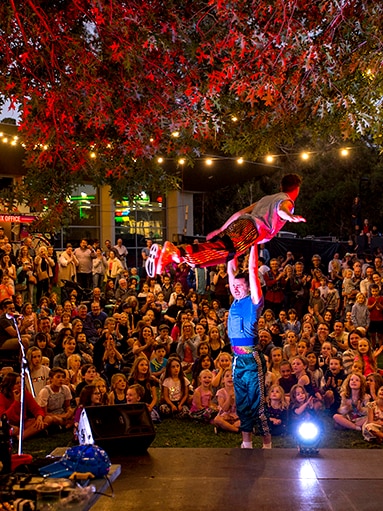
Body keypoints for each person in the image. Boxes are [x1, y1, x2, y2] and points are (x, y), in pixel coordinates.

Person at [146, 173, 305, 277]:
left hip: (242, 224)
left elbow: (240, 213)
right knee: (223, 251)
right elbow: (282, 209)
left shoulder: (266, 198)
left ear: (280, 186)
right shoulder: (287, 201)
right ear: (296, 189)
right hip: (251, 231)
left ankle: (171, 256)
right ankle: (174, 251)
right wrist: (291, 217)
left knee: (218, 254)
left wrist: (221, 228)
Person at [225, 245, 271, 449]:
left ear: (249, 287)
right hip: (237, 359)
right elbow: (230, 269)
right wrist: (230, 248)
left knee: (257, 402)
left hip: (252, 360)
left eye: (239, 285)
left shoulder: (254, 301)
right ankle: (246, 443)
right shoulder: (234, 301)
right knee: (242, 402)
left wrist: (253, 244)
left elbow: (252, 269)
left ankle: (267, 443)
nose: (235, 288)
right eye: (233, 285)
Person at [0, 371, 52, 440]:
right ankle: (33, 432)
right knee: (14, 430)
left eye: (21, 383)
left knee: (48, 419)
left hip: (23, 422)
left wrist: (39, 417)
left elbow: (37, 409)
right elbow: (4, 418)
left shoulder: (25, 394)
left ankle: (21, 437)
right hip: (8, 424)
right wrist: (16, 402)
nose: (20, 385)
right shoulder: (1, 396)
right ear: (9, 385)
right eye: (17, 383)